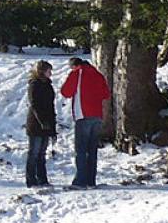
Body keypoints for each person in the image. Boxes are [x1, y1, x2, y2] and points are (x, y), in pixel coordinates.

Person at [59, 55, 110, 189]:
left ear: (75, 66)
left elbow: (65, 92)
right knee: (92, 149)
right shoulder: (98, 74)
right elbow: (106, 94)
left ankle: (80, 181)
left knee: (81, 149)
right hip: (97, 115)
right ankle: (91, 180)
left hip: (83, 114)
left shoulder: (77, 73)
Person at [24, 60, 56, 187]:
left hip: (47, 123)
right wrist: (42, 121)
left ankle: (42, 178)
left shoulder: (48, 85)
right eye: (49, 71)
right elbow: (35, 105)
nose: (51, 73)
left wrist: (52, 126)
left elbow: (51, 105)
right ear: (42, 71)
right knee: (34, 153)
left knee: (42, 154)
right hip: (36, 124)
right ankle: (31, 179)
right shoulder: (34, 85)